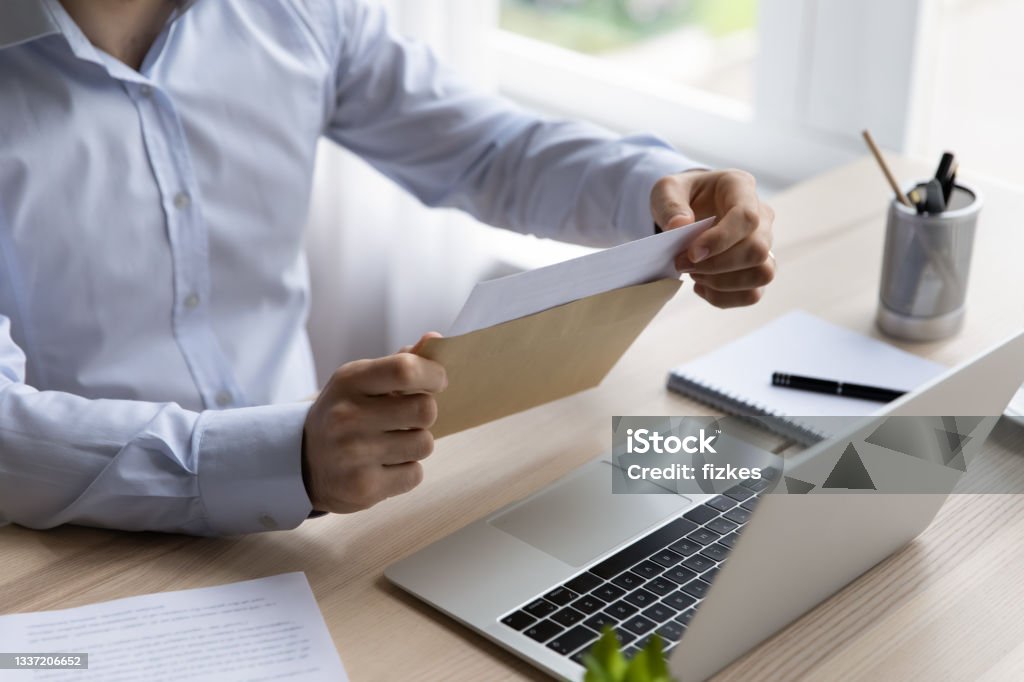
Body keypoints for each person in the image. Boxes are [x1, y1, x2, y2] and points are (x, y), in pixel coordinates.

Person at [0, 0, 775, 536]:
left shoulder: (293, 11)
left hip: (318, 520)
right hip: (78, 543)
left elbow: (484, 148)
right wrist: (286, 456)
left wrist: (659, 194)